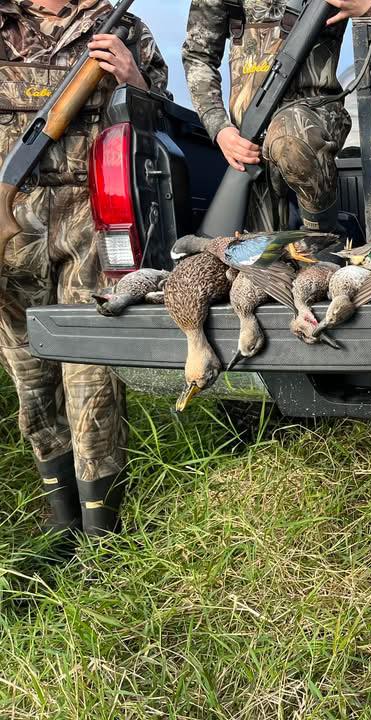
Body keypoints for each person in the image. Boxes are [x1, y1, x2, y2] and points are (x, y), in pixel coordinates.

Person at [0, 0, 168, 539]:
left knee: (90, 378)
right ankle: (62, 523)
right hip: (8, 223)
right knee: (30, 380)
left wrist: (133, 77)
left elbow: (161, 126)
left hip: (90, 223)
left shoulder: (123, 26)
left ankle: (102, 531)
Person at [182, 0, 371, 235]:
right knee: (260, 260)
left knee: (290, 135)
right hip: (248, 143)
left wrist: (369, 9)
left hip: (315, 116)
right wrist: (220, 128)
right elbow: (198, 55)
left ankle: (322, 235)